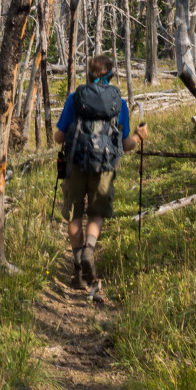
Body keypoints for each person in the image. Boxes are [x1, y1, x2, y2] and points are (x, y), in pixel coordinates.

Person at [54, 54, 148, 289]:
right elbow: (125, 145)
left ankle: (77, 266)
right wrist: (139, 136)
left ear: (88, 74)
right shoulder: (120, 104)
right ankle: (89, 249)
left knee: (75, 215)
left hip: (75, 164)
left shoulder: (74, 99)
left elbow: (58, 137)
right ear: (111, 76)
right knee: (97, 213)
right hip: (104, 167)